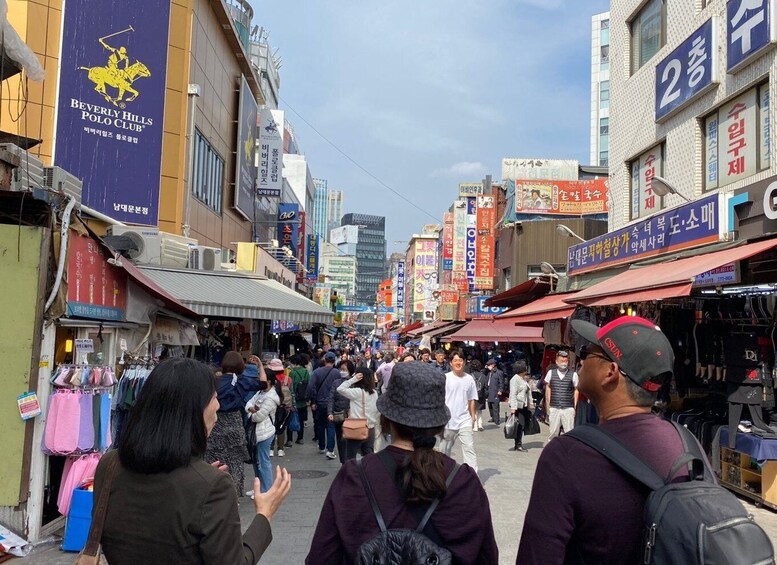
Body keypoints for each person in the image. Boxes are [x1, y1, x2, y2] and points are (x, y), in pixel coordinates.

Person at [517, 316, 683, 563]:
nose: (580, 359)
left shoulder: (566, 456)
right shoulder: (688, 445)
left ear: (610, 371)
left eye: (588, 352)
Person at [94, 358, 291, 564]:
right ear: (195, 409)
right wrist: (264, 515)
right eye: (214, 398)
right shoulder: (214, 486)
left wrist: (201, 480)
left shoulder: (109, 465)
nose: (218, 406)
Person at [305, 361, 499, 564]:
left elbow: (322, 557)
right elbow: (487, 558)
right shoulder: (464, 483)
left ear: (386, 420)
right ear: (440, 425)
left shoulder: (354, 477)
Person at [205, 351, 261, 498]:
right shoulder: (241, 380)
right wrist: (260, 365)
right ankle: (233, 497)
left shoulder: (212, 380)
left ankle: (213, 494)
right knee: (235, 464)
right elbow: (263, 383)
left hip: (215, 423)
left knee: (213, 460)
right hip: (235, 424)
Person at [245, 367, 285, 495]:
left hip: (265, 433)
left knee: (263, 461)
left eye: (261, 379)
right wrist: (251, 409)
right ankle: (259, 487)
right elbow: (248, 404)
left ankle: (266, 489)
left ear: (269, 381)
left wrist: (251, 412)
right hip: (256, 433)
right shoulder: (260, 392)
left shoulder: (271, 397)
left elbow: (258, 416)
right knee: (256, 461)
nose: (259, 381)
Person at [438, 350, 479, 472]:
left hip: (464, 420)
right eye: (455, 360)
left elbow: (471, 399)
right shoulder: (445, 378)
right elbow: (439, 398)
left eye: (460, 360)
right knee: (444, 450)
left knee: (469, 448)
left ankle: (472, 476)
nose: (458, 363)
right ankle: (442, 474)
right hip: (448, 421)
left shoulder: (469, 379)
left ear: (464, 362)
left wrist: (473, 416)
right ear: (451, 363)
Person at [336, 366, 379, 460]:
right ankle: (368, 473)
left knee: (350, 457)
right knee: (369, 456)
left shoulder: (356, 392)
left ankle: (351, 474)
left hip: (356, 428)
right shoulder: (374, 393)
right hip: (370, 428)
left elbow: (340, 389)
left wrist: (353, 379)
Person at [308, 352, 340, 457]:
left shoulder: (317, 372)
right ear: (334, 361)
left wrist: (313, 400)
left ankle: (321, 446)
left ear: (324, 360)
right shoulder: (337, 373)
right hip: (333, 403)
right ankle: (330, 450)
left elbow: (311, 387)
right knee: (331, 427)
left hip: (320, 403)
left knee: (321, 425)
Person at [543, 350, 578, 443]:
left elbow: (576, 390)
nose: (564, 363)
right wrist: (548, 404)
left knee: (569, 432)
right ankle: (552, 450)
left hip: (568, 408)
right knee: (553, 432)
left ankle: (568, 452)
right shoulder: (551, 373)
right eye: (562, 361)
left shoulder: (573, 374)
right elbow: (548, 387)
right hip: (554, 407)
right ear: (556, 361)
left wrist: (574, 406)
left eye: (565, 361)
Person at [327, 360, 354, 462]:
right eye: (341, 369)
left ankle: (350, 461)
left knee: (350, 440)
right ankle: (344, 462)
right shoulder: (336, 382)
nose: (342, 371)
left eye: (344, 369)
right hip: (338, 416)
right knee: (341, 440)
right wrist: (330, 413)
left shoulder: (354, 383)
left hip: (351, 416)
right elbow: (331, 398)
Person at [266, 358, 293, 455]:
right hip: (285, 406)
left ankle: (271, 449)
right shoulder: (287, 379)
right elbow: (292, 393)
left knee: (272, 426)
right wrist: (292, 406)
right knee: (282, 426)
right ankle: (281, 449)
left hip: (271, 405)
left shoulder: (269, 380)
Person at [508, 360, 534, 452]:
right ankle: (518, 444)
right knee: (519, 425)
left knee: (521, 425)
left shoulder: (522, 378)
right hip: (518, 407)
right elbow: (513, 394)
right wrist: (513, 408)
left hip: (524, 406)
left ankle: (518, 443)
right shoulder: (515, 379)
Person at [289, 354, 310, 445]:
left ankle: (289, 440)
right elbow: (309, 385)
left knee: (290, 419)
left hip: (294, 401)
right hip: (303, 401)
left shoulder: (292, 373)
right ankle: (300, 438)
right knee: (301, 420)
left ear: (294, 363)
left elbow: (290, 387)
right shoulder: (305, 371)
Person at [484, 358, 505, 426]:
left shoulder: (499, 373)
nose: (488, 366)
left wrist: (500, 390)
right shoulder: (489, 373)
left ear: (493, 365)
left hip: (495, 392)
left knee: (495, 406)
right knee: (490, 406)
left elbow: (501, 383)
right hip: (489, 391)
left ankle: (497, 420)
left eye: (489, 365)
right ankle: (493, 417)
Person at [470, 359, 487, 431]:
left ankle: (475, 426)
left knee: (473, 410)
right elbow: (486, 387)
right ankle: (480, 424)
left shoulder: (469, 376)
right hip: (481, 395)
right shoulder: (483, 376)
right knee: (480, 410)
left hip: (472, 395)